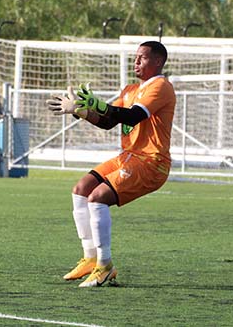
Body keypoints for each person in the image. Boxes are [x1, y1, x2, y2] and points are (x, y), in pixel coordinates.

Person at [47, 41, 175, 288]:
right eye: (135, 57)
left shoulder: (161, 86)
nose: (136, 62)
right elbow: (108, 121)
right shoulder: (130, 89)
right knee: (81, 189)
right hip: (128, 156)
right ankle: (90, 258)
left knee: (97, 198)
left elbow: (133, 116)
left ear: (158, 61)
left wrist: (97, 104)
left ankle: (104, 266)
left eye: (142, 57)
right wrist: (80, 110)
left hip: (152, 162)